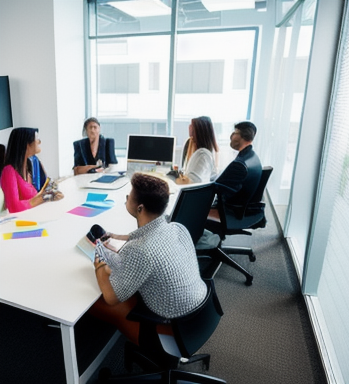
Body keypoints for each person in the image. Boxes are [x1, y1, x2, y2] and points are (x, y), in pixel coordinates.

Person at [89, 172, 207, 346]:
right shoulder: (177, 227)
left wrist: (99, 264)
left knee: (99, 301)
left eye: (130, 196)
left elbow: (111, 298)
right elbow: (148, 241)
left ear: (140, 208)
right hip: (200, 310)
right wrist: (120, 241)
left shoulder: (140, 250)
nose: (127, 197)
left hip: (174, 321)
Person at [0, 127, 64, 213]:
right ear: (27, 144)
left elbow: (37, 194)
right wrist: (44, 198)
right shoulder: (8, 171)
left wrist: (51, 194)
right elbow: (13, 207)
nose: (39, 141)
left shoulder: (30, 164)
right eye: (37, 138)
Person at [210, 121, 262, 219]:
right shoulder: (252, 157)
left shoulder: (240, 164)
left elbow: (217, 187)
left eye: (235, 133)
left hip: (228, 211)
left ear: (244, 136)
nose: (231, 136)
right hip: (240, 207)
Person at [175, 116, 219, 184]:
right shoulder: (194, 148)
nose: (189, 127)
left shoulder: (203, 155)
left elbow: (193, 182)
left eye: (192, 126)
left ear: (199, 131)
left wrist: (173, 179)